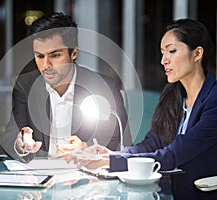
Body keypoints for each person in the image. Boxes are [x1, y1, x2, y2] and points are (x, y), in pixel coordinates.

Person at [58, 19, 217, 199]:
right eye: (163, 53)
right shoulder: (173, 96)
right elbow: (151, 144)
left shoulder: (214, 100)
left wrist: (109, 161)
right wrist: (112, 154)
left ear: (197, 54)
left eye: (172, 51)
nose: (163, 60)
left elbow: (174, 155)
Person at [4, 12, 132, 162]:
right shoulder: (25, 85)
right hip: (40, 174)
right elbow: (11, 133)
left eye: (55, 55)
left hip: (86, 176)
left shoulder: (104, 87)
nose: (46, 66)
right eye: (40, 56)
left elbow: (120, 142)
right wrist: (20, 144)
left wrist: (86, 149)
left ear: (74, 53)